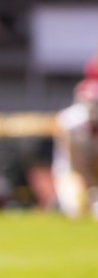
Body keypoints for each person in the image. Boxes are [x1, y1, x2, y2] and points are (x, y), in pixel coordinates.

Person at [52, 77, 98, 220]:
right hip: (72, 171)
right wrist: (87, 184)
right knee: (76, 208)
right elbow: (75, 160)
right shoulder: (71, 121)